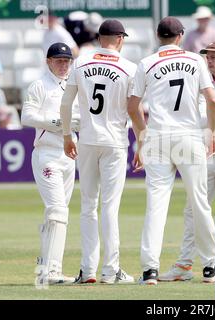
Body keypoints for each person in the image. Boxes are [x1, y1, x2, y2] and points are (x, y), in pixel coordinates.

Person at [127, 16, 215, 285]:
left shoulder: (146, 63)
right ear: (180, 35)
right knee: (199, 201)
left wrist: (142, 139)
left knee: (156, 204)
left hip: (157, 137)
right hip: (189, 135)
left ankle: (149, 270)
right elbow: (212, 100)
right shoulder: (195, 60)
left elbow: (133, 108)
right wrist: (211, 133)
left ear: (159, 36)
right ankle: (209, 265)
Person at [158, 41, 215, 282]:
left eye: (214, 56)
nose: (209, 60)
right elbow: (197, 119)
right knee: (192, 211)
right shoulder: (198, 83)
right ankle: (184, 265)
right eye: (207, 56)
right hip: (204, 154)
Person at [60, 19, 136, 284]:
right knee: (109, 207)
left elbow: (66, 103)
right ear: (120, 39)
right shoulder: (129, 67)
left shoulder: (80, 62)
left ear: (100, 37)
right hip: (115, 142)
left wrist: (68, 135)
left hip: (88, 140)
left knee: (88, 207)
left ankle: (88, 269)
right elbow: (135, 109)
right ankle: (110, 271)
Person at [21, 43, 79, 285]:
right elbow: (26, 116)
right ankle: (52, 272)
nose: (63, 65)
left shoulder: (74, 85)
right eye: (58, 61)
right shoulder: (39, 85)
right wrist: (58, 122)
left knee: (57, 214)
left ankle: (46, 268)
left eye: (67, 61)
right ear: (48, 62)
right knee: (57, 210)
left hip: (69, 156)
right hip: (47, 154)